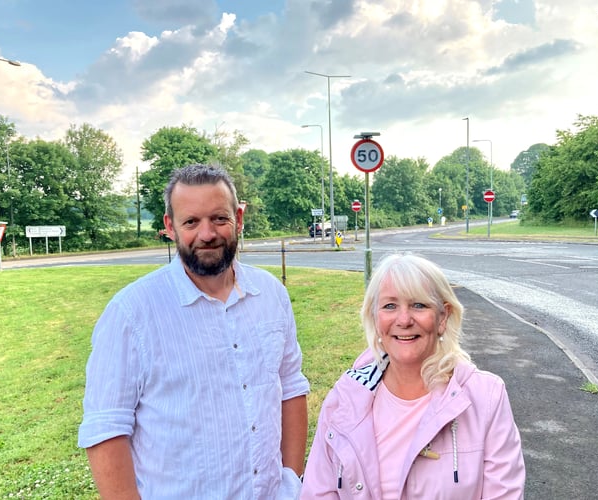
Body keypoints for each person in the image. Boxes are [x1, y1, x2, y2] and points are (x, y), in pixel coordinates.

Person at [78, 163, 310, 499]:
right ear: (170, 226)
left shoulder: (271, 294)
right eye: (191, 222)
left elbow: (290, 387)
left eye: (219, 218)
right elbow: (106, 429)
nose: (207, 234)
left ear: (239, 218)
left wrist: (290, 481)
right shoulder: (131, 313)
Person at [301, 253, 525, 499]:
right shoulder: (346, 396)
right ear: (375, 319)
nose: (404, 319)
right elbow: (318, 491)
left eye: (419, 305)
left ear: (443, 317)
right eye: (389, 306)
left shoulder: (486, 397)